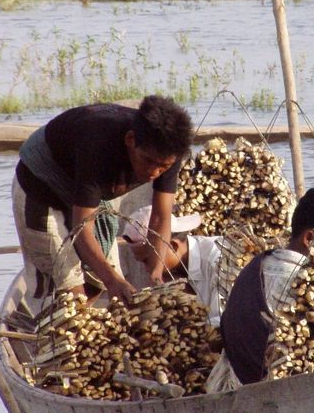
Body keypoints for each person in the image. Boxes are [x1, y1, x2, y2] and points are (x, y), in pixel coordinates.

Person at [11, 95, 193, 304]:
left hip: (90, 194)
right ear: (130, 140)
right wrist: (112, 280)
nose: (154, 172)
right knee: (70, 291)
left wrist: (156, 273)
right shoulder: (98, 144)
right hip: (41, 186)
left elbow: (161, 217)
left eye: (163, 166)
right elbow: (82, 228)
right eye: (148, 161)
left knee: (96, 283)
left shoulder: (171, 152)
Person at [205, 183, 314, 393]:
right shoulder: (300, 284)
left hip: (226, 387)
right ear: (309, 238)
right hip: (263, 399)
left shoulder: (259, 263)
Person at [121, 206, 223, 326]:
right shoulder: (180, 271)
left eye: (148, 261)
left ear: (173, 246)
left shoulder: (218, 261)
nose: (147, 269)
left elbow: (224, 323)